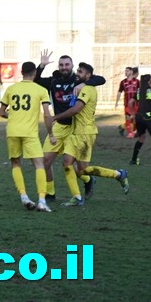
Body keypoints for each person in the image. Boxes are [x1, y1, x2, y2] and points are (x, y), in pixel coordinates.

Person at [48, 62, 130, 207]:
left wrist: (55, 117)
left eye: (80, 72)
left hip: (83, 133)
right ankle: (117, 175)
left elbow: (75, 110)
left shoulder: (87, 89)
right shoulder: (82, 86)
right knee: (80, 169)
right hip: (81, 132)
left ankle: (78, 197)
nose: (77, 73)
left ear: (88, 76)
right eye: (77, 71)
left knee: (69, 164)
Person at [34, 50, 105, 201]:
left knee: (79, 169)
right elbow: (34, 79)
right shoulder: (53, 81)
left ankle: (88, 180)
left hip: (75, 128)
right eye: (61, 65)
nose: (64, 67)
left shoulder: (78, 80)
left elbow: (101, 79)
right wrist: (41, 66)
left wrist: (85, 83)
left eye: (67, 64)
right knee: (45, 161)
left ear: (72, 65)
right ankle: (50, 193)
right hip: (59, 127)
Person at [0, 62, 54, 212]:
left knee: (16, 164)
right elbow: (47, 115)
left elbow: (2, 112)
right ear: (35, 73)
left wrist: (15, 116)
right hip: (30, 133)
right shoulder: (41, 90)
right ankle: (42, 200)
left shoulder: (11, 89)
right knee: (39, 165)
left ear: (21, 72)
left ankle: (24, 197)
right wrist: (51, 134)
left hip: (13, 131)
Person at [115, 66, 140, 139]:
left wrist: (141, 101)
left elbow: (140, 91)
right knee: (128, 118)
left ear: (132, 72)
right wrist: (116, 102)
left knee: (135, 119)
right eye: (125, 71)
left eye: (127, 71)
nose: (126, 72)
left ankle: (123, 128)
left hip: (136, 104)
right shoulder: (123, 82)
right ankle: (130, 133)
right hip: (127, 104)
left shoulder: (137, 81)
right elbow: (119, 92)